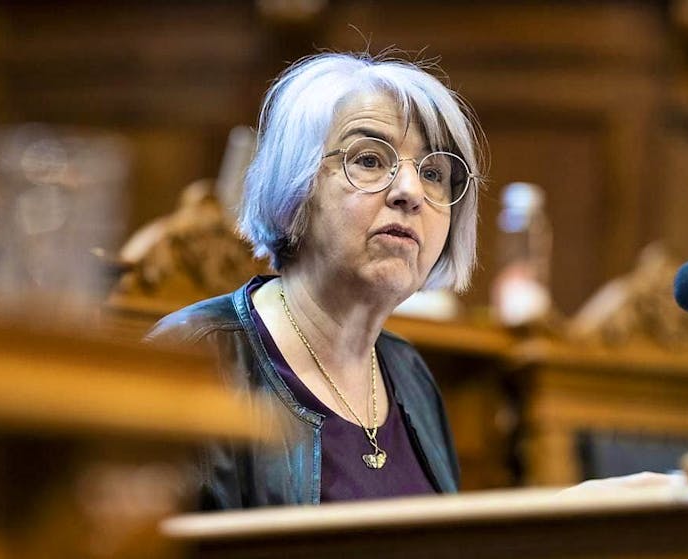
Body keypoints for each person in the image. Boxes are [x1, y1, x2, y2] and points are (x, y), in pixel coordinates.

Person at [146, 51, 484, 509]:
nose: (410, 192)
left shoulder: (412, 377)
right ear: (296, 183)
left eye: (432, 173)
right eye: (369, 159)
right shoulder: (192, 359)